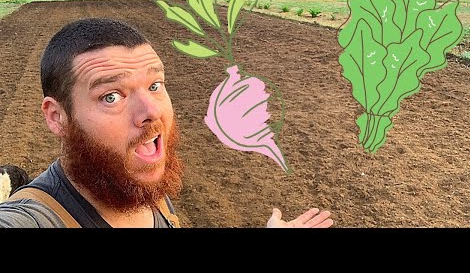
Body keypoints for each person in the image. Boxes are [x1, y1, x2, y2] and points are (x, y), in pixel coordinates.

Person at [0, 18, 334, 228]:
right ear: (57, 117)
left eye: (155, 85)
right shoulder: (35, 218)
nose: (151, 111)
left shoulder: (143, 187)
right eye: (111, 96)